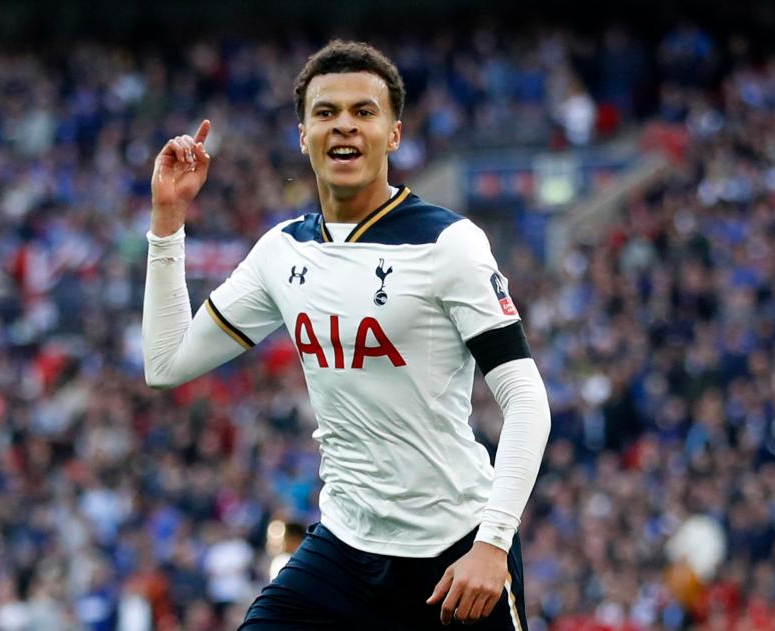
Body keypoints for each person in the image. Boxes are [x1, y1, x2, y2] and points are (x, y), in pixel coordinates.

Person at [142, 40, 551, 630]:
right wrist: (167, 222)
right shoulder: (283, 251)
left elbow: (527, 399)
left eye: (364, 112)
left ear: (394, 134)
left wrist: (491, 542)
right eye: (327, 112)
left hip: (456, 550)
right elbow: (165, 363)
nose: (346, 126)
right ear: (302, 135)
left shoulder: (448, 243)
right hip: (343, 548)